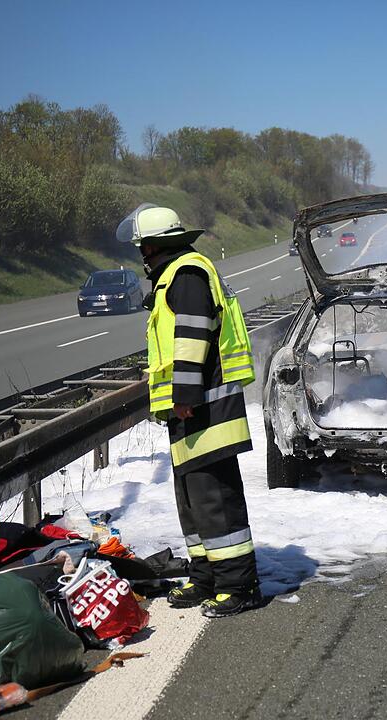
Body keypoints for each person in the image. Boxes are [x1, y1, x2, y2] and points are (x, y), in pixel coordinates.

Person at [116, 204, 262, 618]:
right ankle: (206, 577)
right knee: (193, 499)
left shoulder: (187, 275)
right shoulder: (176, 276)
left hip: (204, 405)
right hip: (192, 408)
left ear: (153, 247)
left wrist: (184, 396)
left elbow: (192, 338)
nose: (142, 257)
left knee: (216, 499)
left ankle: (239, 586)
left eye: (143, 248)